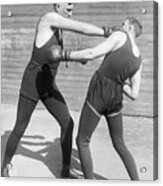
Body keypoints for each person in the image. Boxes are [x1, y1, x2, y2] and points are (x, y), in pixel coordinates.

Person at [1, 3, 111, 178]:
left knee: (68, 123)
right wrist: (107, 32)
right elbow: (81, 28)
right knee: (20, 127)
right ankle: (5, 166)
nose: (71, 8)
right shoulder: (48, 19)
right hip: (32, 83)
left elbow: (56, 54)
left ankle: (65, 170)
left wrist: (77, 58)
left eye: (73, 6)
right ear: (57, 5)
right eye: (68, 5)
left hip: (48, 85)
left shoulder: (59, 28)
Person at [48, 16, 143, 180]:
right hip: (116, 96)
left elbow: (92, 53)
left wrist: (64, 55)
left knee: (82, 141)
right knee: (119, 143)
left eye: (123, 24)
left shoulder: (120, 36)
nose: (119, 26)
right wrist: (119, 83)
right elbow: (134, 93)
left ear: (130, 28)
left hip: (100, 91)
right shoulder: (139, 59)